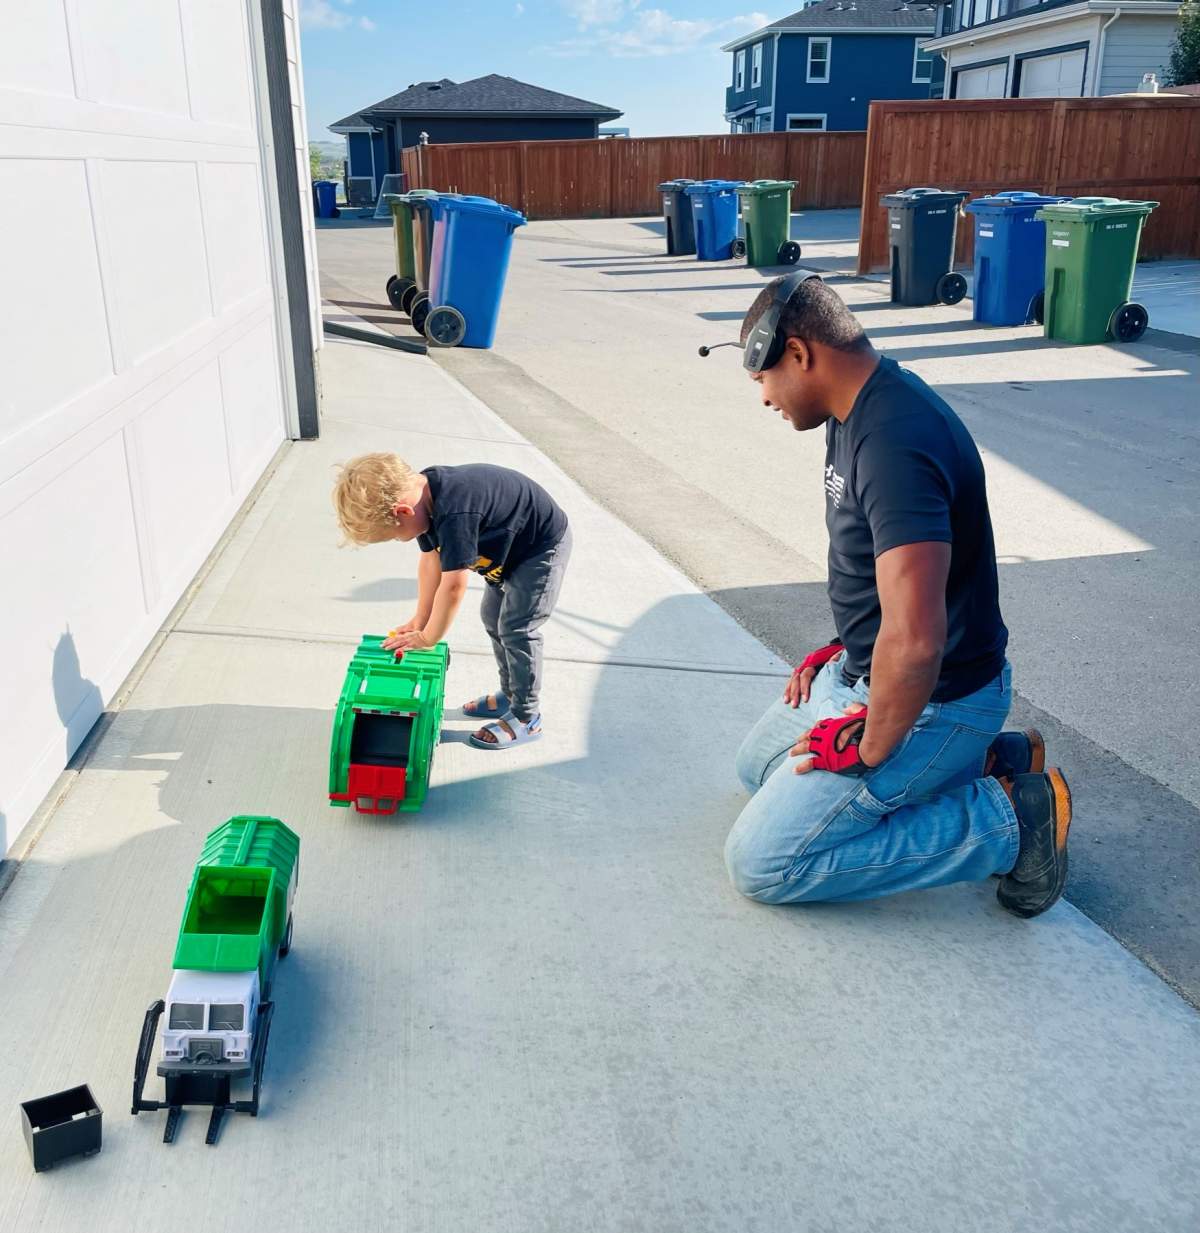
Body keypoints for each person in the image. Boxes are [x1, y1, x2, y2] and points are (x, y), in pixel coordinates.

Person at [723, 275, 1072, 918]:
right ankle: (990, 760)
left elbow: (915, 640)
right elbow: (886, 572)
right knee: (756, 770)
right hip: (864, 670)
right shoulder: (854, 409)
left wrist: (870, 745)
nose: (764, 398)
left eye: (762, 380)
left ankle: (1012, 822)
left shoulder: (896, 441)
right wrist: (846, 644)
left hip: (935, 697)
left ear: (799, 354)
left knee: (764, 862)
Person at [333, 454, 571, 749]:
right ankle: (512, 694)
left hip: (538, 549)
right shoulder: (424, 501)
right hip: (507, 553)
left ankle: (526, 716)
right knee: (492, 618)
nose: (400, 540)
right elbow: (431, 560)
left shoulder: (455, 513)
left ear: (404, 512)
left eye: (396, 536)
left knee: (516, 628)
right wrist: (420, 618)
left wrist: (428, 636)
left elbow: (454, 586)